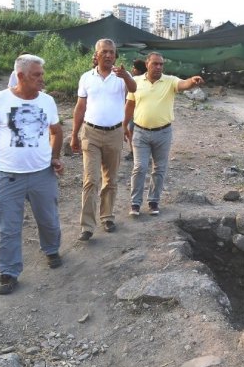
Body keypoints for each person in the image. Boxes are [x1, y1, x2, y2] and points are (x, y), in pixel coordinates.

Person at [0, 54, 65, 295]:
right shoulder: (0, 100)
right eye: (36, 75)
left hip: (42, 174)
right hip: (7, 175)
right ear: (20, 76)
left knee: (48, 220)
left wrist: (55, 157)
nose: (42, 79)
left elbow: (56, 132)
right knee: (7, 227)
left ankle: (51, 249)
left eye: (41, 74)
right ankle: (8, 271)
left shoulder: (47, 101)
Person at [70, 39, 137, 241]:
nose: (108, 55)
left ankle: (107, 216)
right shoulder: (86, 78)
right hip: (91, 133)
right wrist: (74, 135)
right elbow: (80, 107)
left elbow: (134, 89)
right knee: (91, 179)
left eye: (112, 52)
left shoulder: (121, 78)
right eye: (105, 52)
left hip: (115, 133)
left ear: (116, 55)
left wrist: (126, 75)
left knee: (111, 179)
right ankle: (87, 226)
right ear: (96, 55)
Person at [124, 52, 203, 216]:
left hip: (163, 133)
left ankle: (153, 201)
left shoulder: (170, 81)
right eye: (155, 63)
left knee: (159, 168)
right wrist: (124, 125)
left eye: (161, 64)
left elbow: (183, 84)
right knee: (140, 167)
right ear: (147, 64)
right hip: (140, 132)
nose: (158, 67)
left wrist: (192, 82)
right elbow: (130, 105)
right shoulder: (136, 82)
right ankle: (135, 204)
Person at [124, 59, 147, 162]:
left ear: (139, 70)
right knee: (132, 131)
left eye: (134, 68)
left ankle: (135, 152)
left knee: (132, 132)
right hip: (134, 111)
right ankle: (134, 152)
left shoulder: (138, 81)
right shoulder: (134, 79)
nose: (132, 69)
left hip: (137, 111)